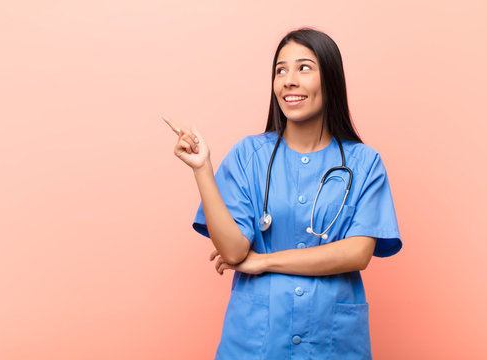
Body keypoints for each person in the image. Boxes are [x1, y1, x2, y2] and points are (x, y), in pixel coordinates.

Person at [164, 27, 402, 360]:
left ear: (330, 79)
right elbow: (232, 252)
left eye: (304, 67)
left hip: (333, 343)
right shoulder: (249, 156)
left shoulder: (365, 163)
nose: (288, 80)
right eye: (280, 70)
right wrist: (202, 168)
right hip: (255, 342)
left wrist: (262, 261)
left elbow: (357, 253)